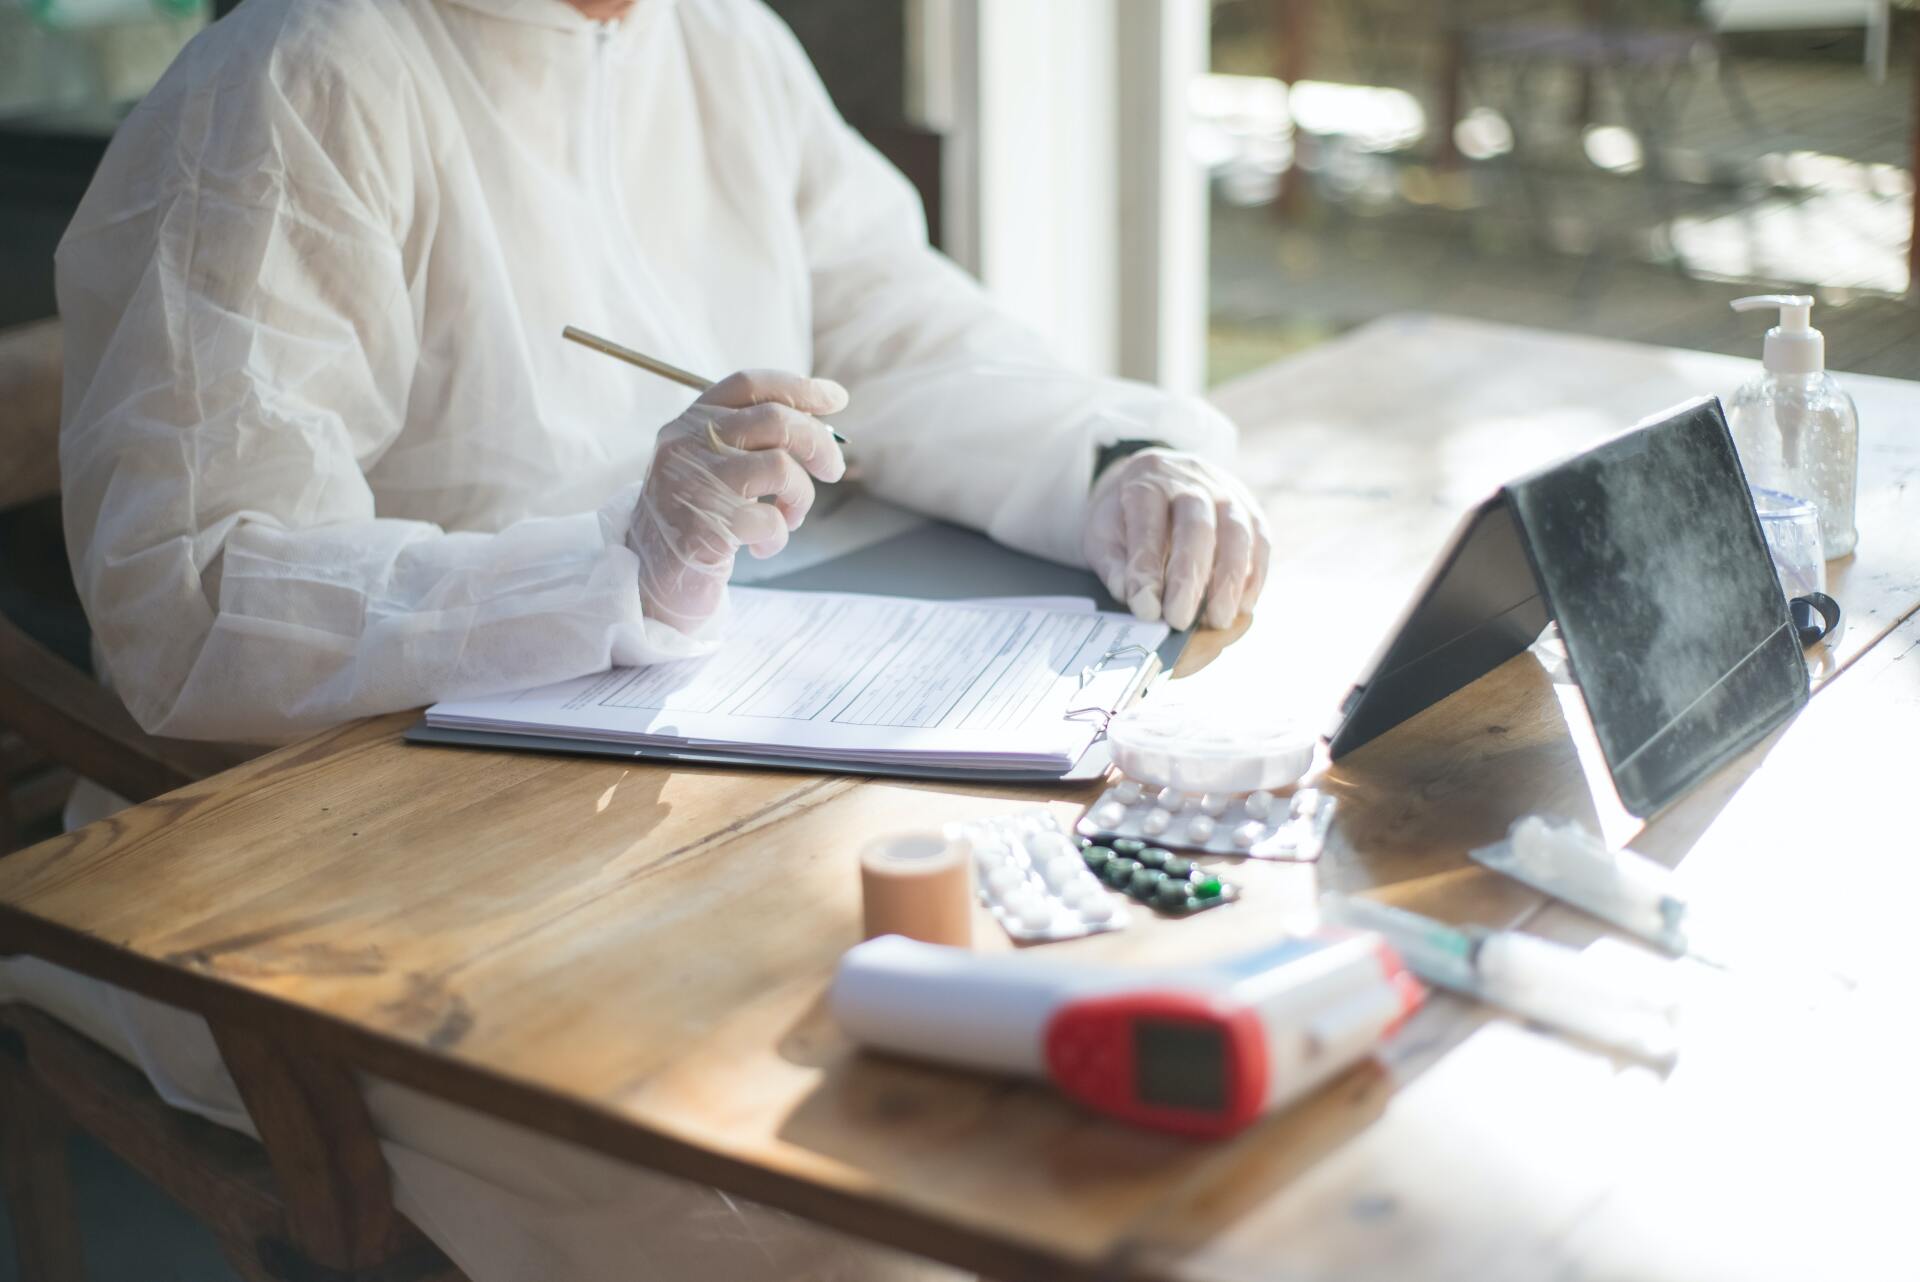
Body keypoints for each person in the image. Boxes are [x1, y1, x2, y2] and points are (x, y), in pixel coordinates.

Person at [7, 0, 1274, 1277]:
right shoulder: (299, 77)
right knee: (822, 1187)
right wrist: (609, 566)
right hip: (350, 871)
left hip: (687, 787)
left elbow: (900, 334)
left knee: (1041, 1069)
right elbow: (192, 598)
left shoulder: (719, 38)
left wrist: (1111, 463)